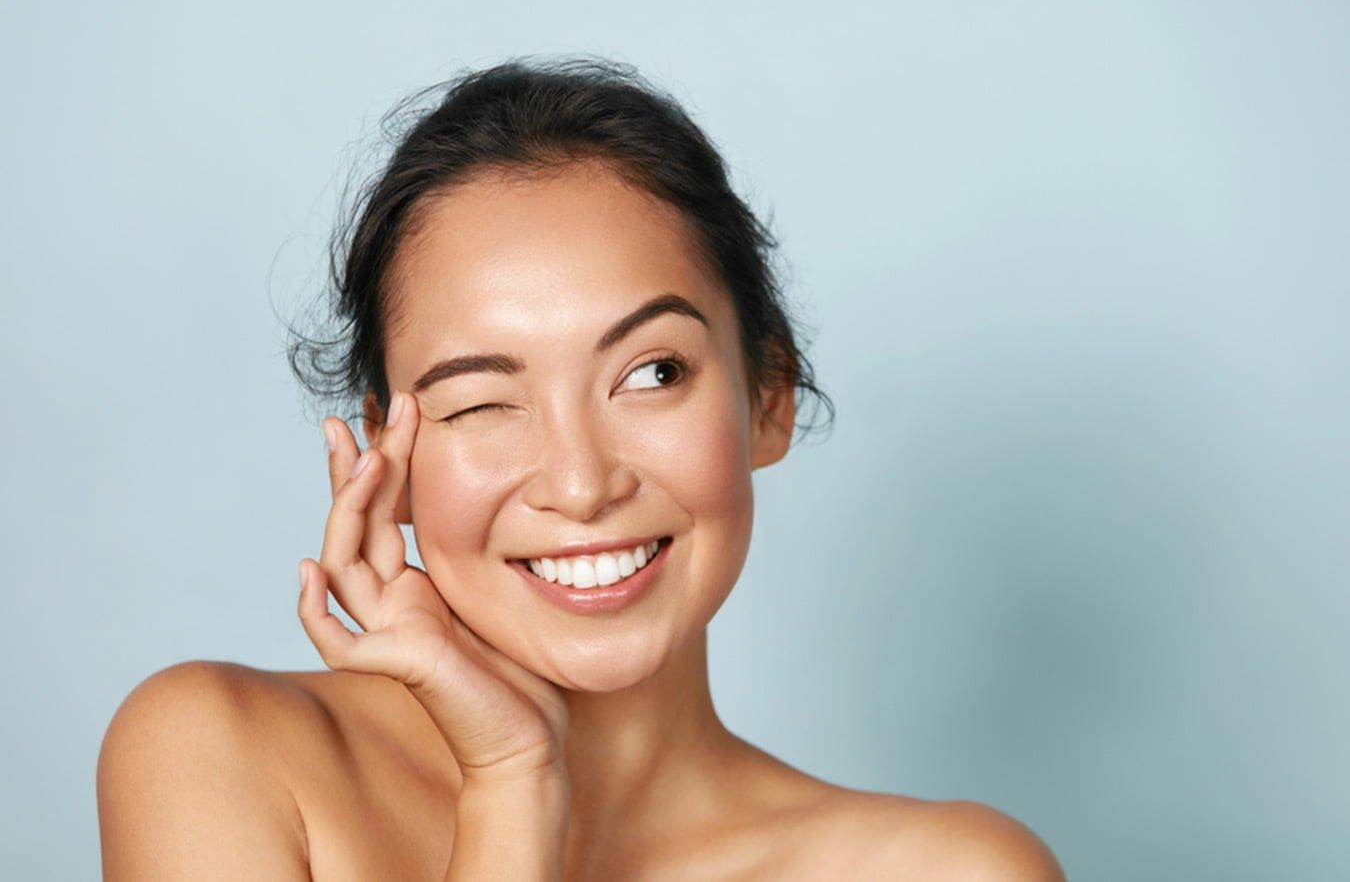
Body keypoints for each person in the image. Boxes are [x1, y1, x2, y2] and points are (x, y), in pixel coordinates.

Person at [96, 55, 1066, 880]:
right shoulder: (223, 752)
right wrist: (513, 780)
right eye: (481, 401)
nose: (580, 481)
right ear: (386, 457)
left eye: (652, 373)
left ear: (767, 397)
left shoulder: (946, 869)